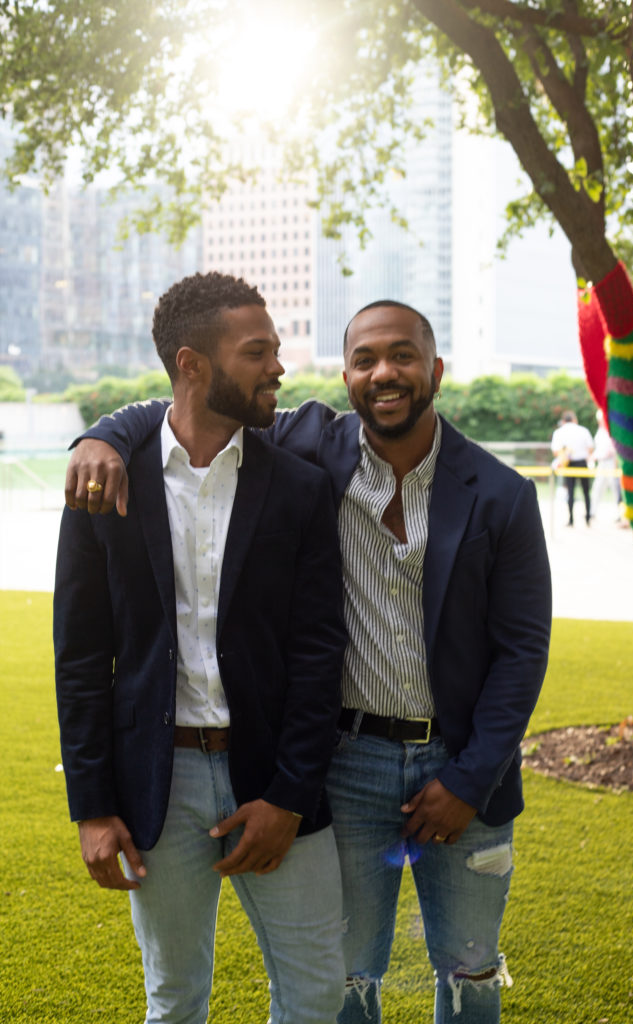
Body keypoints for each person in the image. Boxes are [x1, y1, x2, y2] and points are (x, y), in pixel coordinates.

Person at [64, 298, 552, 1024]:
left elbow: (521, 651)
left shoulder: (501, 495)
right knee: (345, 978)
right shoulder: (310, 445)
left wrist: (470, 778)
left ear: (436, 370)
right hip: (346, 764)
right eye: (363, 360)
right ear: (348, 377)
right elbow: (180, 405)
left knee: (469, 967)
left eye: (403, 356)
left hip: (462, 767)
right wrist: (95, 435)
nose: (383, 373)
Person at [54, 272, 348, 1024]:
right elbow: (81, 658)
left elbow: (320, 654)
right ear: (191, 365)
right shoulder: (103, 484)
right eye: (257, 352)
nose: (277, 367)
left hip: (276, 778)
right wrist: (91, 808)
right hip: (159, 783)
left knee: (316, 995)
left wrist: (288, 795)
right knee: (174, 1000)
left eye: (274, 350)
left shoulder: (300, 489)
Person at [551, 410, 594, 526]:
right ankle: (588, 518)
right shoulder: (583, 430)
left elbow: (556, 451)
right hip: (582, 463)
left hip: (568, 463)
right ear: (574, 419)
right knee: (586, 491)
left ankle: (571, 520)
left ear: (563, 421)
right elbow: (590, 448)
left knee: (570, 491)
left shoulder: (559, 432)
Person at [592, 408, 622, 520]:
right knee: (597, 487)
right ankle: (592, 511)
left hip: (611, 462)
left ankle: (619, 514)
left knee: (615, 489)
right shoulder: (600, 431)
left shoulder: (612, 430)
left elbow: (614, 448)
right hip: (601, 463)